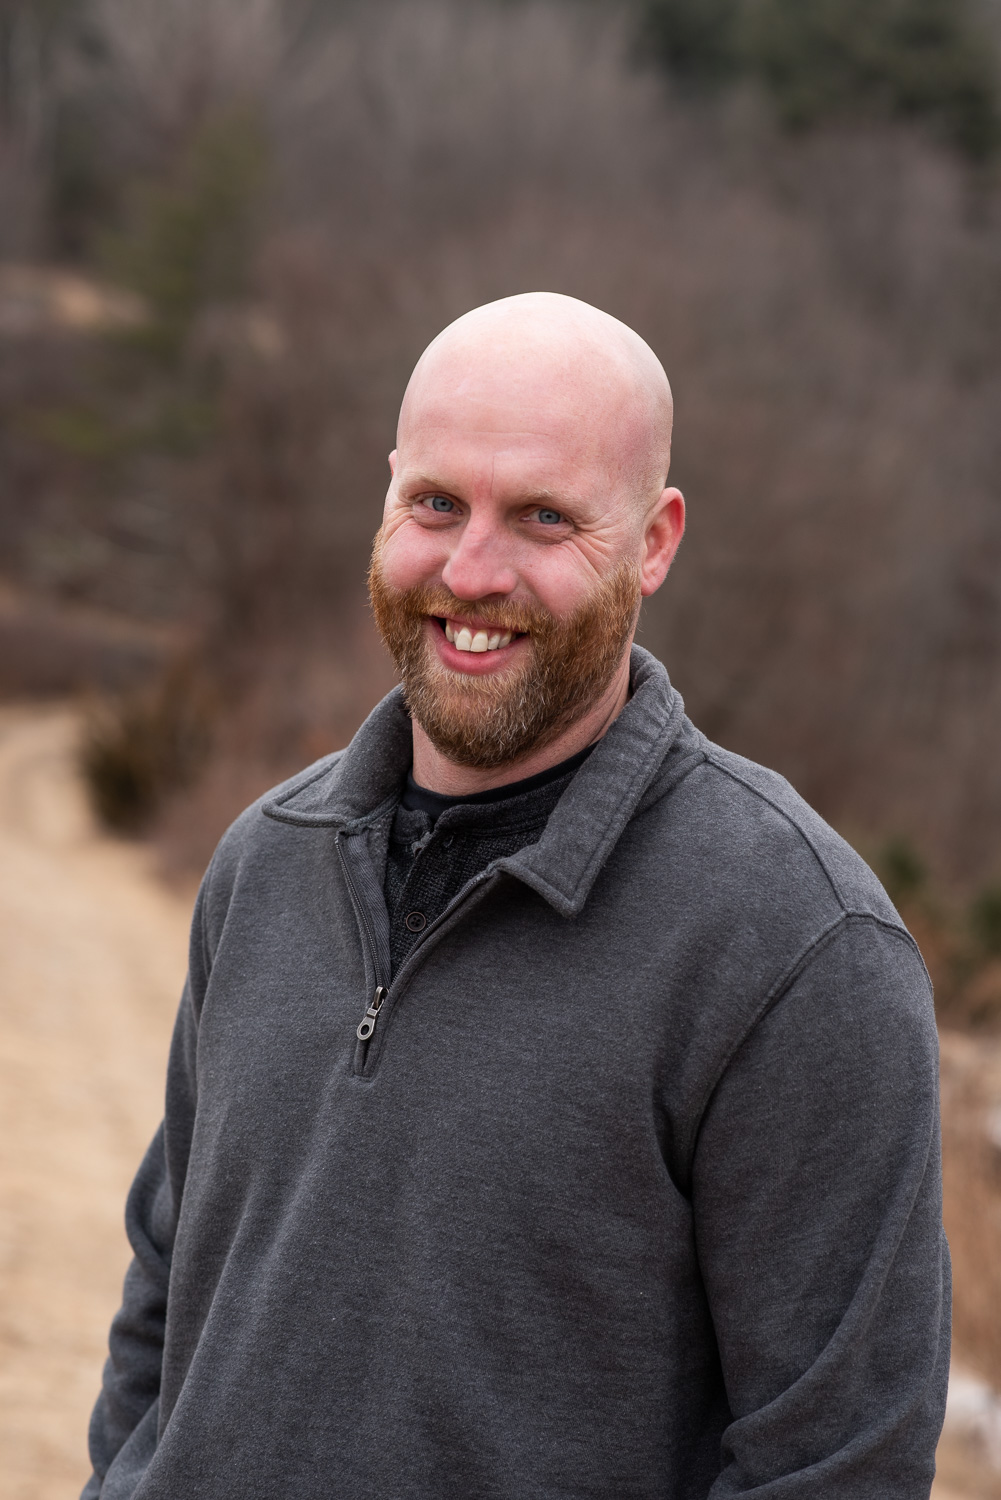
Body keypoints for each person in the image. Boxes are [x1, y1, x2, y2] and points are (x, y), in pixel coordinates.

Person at [83, 292, 949, 1500]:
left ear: (654, 541)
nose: (469, 568)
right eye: (436, 503)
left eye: (542, 517)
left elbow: (838, 1460)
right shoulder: (264, 860)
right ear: (386, 494)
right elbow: (168, 1293)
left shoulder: (796, 946)